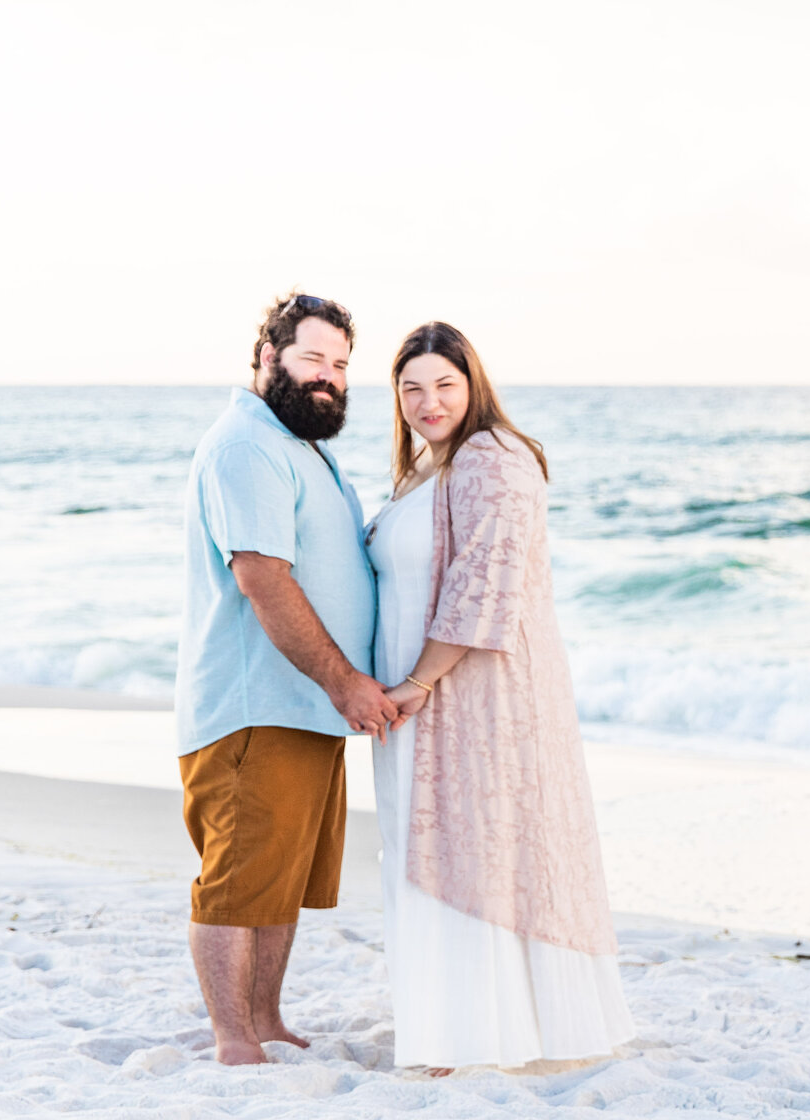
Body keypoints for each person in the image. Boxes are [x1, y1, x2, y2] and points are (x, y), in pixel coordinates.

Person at [364, 321, 633, 1075]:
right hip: (418, 692)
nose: (428, 401)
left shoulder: (494, 458)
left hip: (469, 691)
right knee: (429, 846)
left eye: (444, 384)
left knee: (469, 846)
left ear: (473, 383)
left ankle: (477, 1030)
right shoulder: (425, 465)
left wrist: (419, 681)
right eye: (411, 388)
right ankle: (446, 1020)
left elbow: (486, 581)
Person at [175, 291, 397, 1066]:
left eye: (340, 365)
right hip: (253, 707)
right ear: (267, 356)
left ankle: (265, 1017)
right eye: (312, 359)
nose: (329, 378)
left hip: (303, 708)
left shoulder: (299, 444)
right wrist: (344, 682)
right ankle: (234, 1036)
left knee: (277, 879)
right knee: (237, 880)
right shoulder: (246, 445)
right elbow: (263, 577)